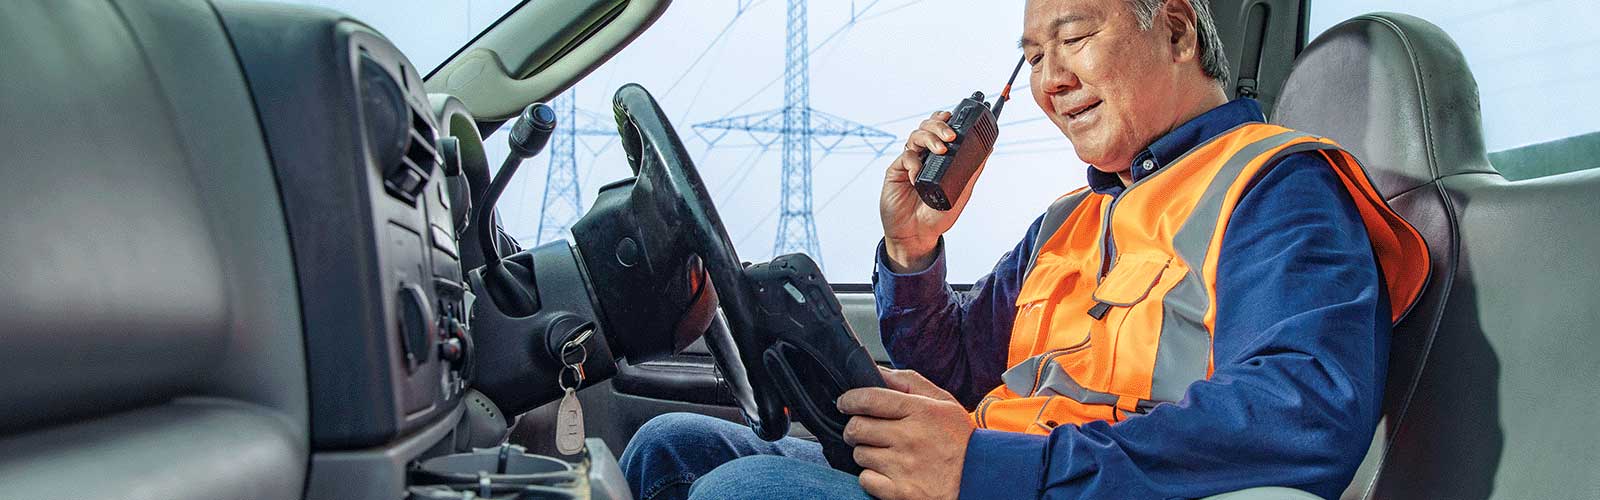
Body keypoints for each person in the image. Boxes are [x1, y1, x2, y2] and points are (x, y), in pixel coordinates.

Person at [619, 0, 1430, 498]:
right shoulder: (1068, 221)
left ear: (1176, 28)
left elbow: (1301, 414)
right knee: (668, 446)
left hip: (1055, 491)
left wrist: (988, 472)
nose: (1049, 82)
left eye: (1073, 39)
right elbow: (959, 374)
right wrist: (914, 249)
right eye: (1034, 58)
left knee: (742, 488)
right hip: (1000, 481)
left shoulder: (1276, 189)